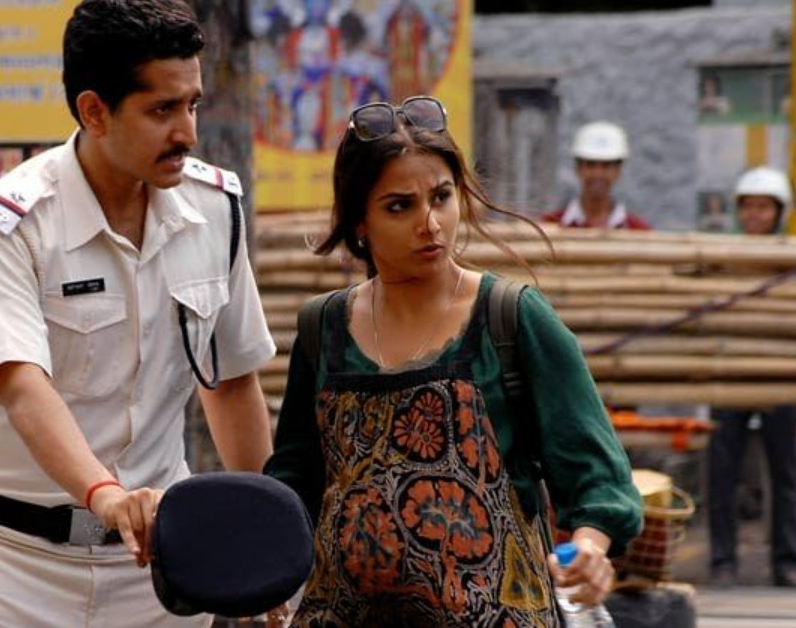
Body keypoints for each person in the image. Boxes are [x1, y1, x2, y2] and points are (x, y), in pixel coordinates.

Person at [0, 1, 276, 625]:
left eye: (191, 104)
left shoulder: (215, 211)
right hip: (3, 571)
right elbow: (23, 387)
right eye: (162, 110)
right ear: (94, 112)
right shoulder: (8, 228)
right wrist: (104, 495)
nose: (188, 132)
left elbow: (231, 381)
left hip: (155, 578)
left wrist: (266, 545)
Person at [264, 95, 643, 626]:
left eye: (441, 197)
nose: (430, 224)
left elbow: (595, 469)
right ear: (358, 221)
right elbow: (296, 475)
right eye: (400, 206)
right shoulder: (322, 328)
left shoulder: (510, 317)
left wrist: (591, 545)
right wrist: (262, 560)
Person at [707, 166, 796, 588]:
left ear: (778, 212)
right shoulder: (723, 260)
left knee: (788, 472)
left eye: (763, 208)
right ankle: (722, 560)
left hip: (783, 376)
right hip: (730, 375)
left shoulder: (790, 258)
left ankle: (786, 560)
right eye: (748, 208)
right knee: (722, 470)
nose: (755, 216)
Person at [542, 120, 651, 230]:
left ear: (618, 171)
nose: (597, 173)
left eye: (606, 166)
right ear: (577, 168)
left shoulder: (637, 230)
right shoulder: (548, 226)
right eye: (590, 164)